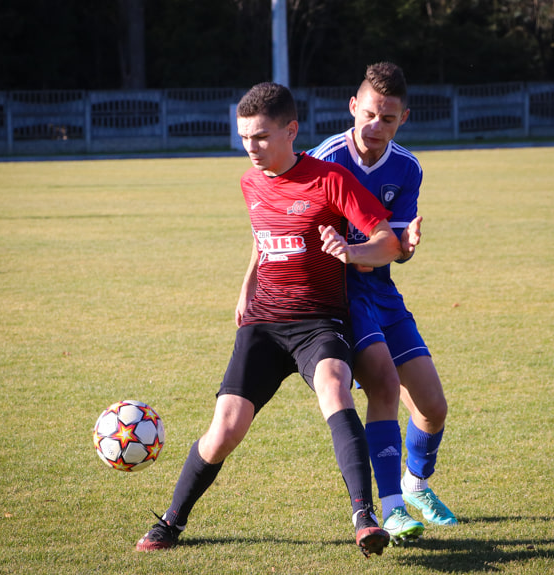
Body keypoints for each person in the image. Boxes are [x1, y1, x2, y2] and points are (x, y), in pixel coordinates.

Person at [135, 82, 401, 557]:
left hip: (319, 322)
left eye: (260, 137)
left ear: (290, 130)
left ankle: (364, 516)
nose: (251, 149)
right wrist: (245, 287)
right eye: (243, 139)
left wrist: (352, 250)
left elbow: (389, 242)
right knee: (224, 431)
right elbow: (263, 237)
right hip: (262, 324)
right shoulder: (249, 182)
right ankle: (171, 521)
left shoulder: (330, 181)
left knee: (336, 388)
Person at [309, 62, 457, 544]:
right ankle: (391, 506)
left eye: (388, 119)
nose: (375, 127)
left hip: (382, 290)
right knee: (385, 388)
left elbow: (393, 249)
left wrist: (406, 246)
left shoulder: (407, 167)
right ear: (353, 107)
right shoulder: (324, 160)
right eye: (369, 114)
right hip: (341, 295)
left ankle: (416, 483)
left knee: (433, 408)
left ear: (403, 119)